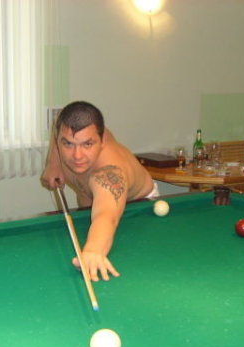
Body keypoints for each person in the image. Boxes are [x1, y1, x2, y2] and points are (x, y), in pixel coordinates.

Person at [41, 101, 157, 282]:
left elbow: (106, 214)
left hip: (137, 206)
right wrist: (52, 163)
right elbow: (59, 129)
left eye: (87, 144)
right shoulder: (76, 131)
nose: (77, 156)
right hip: (91, 202)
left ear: (102, 141)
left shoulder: (109, 174)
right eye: (68, 144)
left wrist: (93, 251)